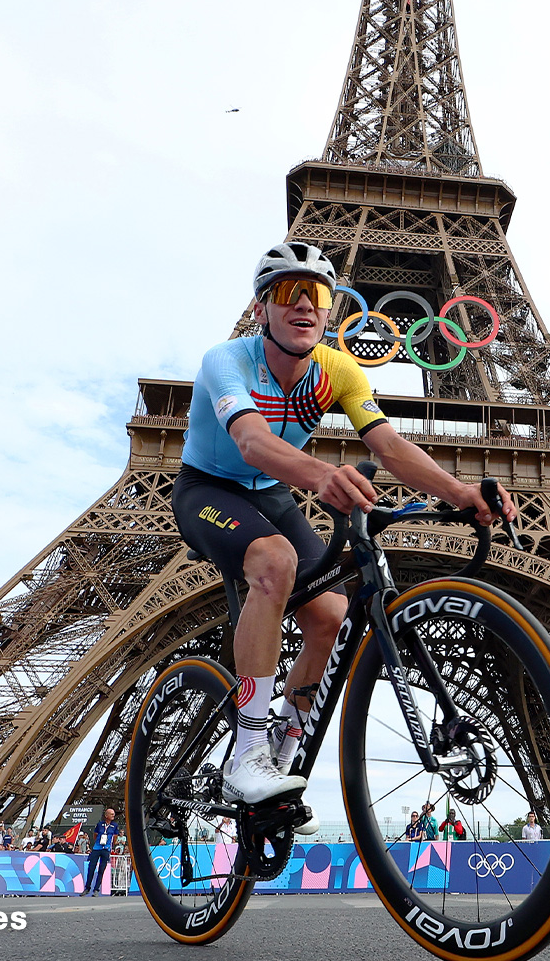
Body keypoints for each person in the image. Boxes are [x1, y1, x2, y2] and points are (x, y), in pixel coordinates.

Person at [173, 242, 517, 819]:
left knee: (331, 615)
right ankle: (248, 752)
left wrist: (457, 492)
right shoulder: (226, 360)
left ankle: (282, 740)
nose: (304, 304)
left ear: (332, 310)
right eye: (287, 292)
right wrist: (321, 474)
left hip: (273, 493)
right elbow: (252, 443)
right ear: (261, 309)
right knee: (275, 562)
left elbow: (387, 446)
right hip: (208, 490)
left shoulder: (339, 370)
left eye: (318, 294)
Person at [84, 808, 120, 896]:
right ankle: (87, 887)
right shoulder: (100, 824)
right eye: (111, 814)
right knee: (91, 868)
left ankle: (96, 889)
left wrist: (110, 844)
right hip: (97, 848)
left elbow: (115, 837)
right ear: (106, 815)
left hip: (106, 849)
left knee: (101, 870)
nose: (113, 816)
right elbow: (95, 835)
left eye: (113, 814)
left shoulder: (114, 825)